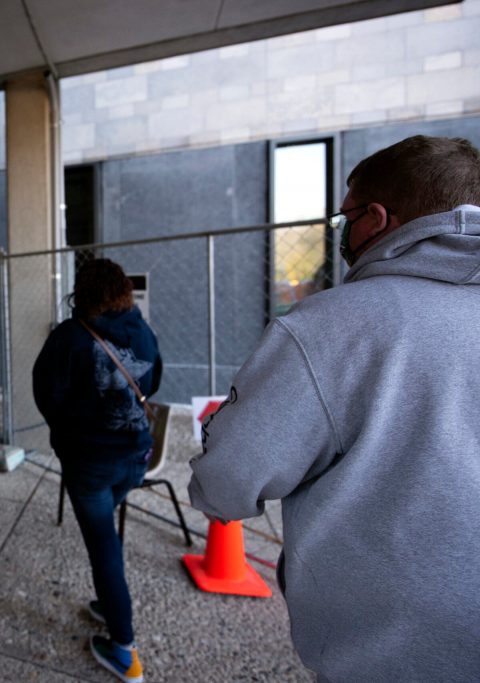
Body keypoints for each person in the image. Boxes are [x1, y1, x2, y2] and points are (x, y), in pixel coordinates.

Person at [188, 135, 480, 682]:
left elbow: (230, 477)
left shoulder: (332, 327)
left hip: (390, 657)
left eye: (344, 216)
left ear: (375, 218)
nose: (341, 231)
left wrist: (213, 488)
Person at [33, 258, 162, 683]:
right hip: (136, 457)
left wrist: (67, 428)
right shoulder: (141, 331)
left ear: (82, 292)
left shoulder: (70, 338)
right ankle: (111, 599)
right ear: (124, 290)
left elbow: (45, 392)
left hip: (88, 464)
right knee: (106, 534)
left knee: (103, 543)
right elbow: (155, 381)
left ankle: (125, 653)